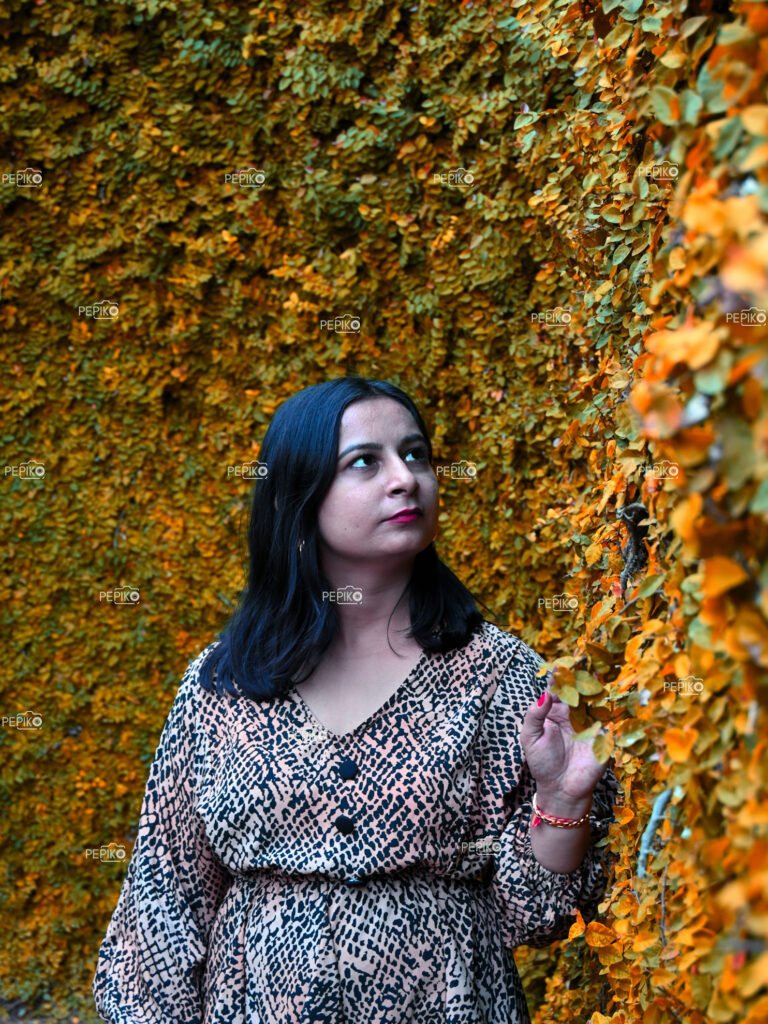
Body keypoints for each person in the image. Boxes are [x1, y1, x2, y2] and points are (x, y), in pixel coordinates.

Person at [92, 376, 622, 1024]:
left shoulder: (502, 673)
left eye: (416, 454)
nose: (405, 479)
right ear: (298, 493)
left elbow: (537, 912)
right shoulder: (224, 684)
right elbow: (162, 903)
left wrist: (561, 800)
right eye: (365, 462)